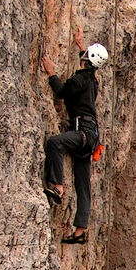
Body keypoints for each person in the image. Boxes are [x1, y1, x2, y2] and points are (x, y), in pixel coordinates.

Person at [41, 26, 109, 245]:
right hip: (90, 138)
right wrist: (80, 43)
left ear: (86, 61)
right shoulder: (92, 80)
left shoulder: (80, 80)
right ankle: (80, 231)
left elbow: (61, 91)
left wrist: (51, 72)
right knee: (83, 183)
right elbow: (88, 63)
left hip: (82, 134)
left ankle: (57, 187)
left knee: (55, 143)